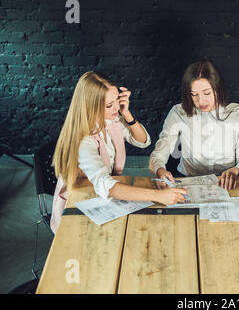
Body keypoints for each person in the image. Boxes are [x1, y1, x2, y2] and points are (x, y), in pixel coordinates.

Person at [51, 71, 187, 233]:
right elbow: (105, 185)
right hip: (77, 202)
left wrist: (126, 113)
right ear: (90, 106)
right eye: (109, 105)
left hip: (98, 194)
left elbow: (143, 141)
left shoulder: (111, 119)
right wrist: (157, 196)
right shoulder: (83, 139)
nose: (116, 107)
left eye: (117, 100)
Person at [149, 59, 239, 190]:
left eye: (207, 93)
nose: (201, 101)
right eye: (194, 95)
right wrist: (160, 171)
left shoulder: (238, 114)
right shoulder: (178, 112)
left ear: (218, 88)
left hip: (226, 183)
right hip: (187, 182)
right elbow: (158, 155)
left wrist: (235, 170)